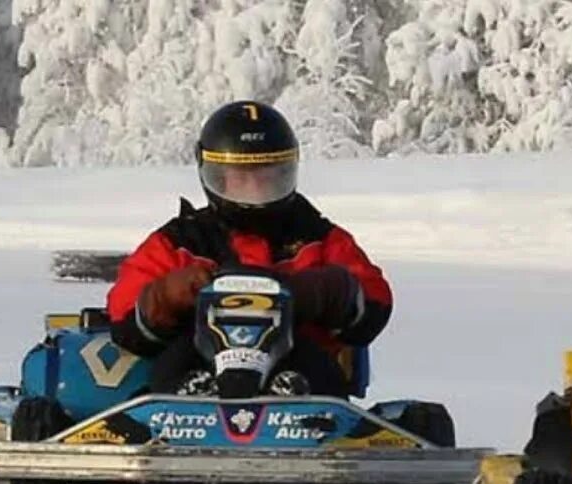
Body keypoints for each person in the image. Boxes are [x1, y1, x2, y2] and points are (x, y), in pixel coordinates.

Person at [106, 100, 392, 397]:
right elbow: (123, 316)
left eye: (266, 178)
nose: (254, 190)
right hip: (197, 358)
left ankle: (300, 408)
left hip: (298, 362)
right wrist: (165, 296)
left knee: (315, 364)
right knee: (173, 363)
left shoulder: (318, 238)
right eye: (241, 179)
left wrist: (326, 291)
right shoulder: (180, 242)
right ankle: (185, 404)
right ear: (215, 176)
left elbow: (375, 300)